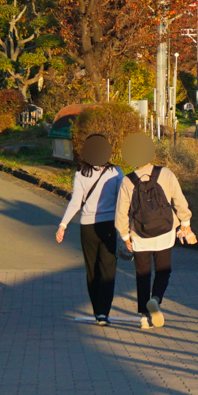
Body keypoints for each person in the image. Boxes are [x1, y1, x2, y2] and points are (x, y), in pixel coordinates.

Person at [114, 133, 196, 329]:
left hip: (140, 235)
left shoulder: (127, 181)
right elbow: (179, 200)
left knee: (142, 275)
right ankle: (156, 299)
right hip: (165, 232)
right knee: (163, 271)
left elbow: (121, 214)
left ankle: (143, 316)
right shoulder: (165, 173)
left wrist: (125, 236)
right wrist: (185, 223)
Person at [55, 132, 124, 325]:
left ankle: (97, 310)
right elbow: (122, 201)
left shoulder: (81, 173)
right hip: (109, 225)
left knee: (92, 270)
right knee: (108, 270)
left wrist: (63, 224)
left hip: (87, 227)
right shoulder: (116, 172)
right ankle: (103, 313)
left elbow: (76, 201)